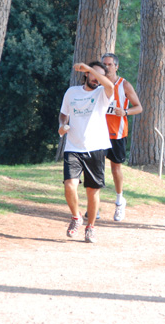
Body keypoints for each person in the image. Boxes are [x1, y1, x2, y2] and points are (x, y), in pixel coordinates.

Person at [58, 61, 114, 243]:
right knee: (69, 185)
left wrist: (92, 70)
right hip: (73, 146)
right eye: (93, 74)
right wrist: (62, 125)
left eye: (100, 76)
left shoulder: (103, 93)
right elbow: (64, 113)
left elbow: (109, 85)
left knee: (92, 191)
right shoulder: (72, 92)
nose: (96, 79)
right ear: (86, 76)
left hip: (96, 147)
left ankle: (90, 228)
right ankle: (76, 217)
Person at [101, 53, 143, 222]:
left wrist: (125, 112)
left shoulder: (124, 85)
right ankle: (93, 205)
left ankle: (119, 201)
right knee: (96, 167)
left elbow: (139, 107)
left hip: (117, 133)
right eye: (104, 64)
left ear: (116, 66)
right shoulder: (97, 83)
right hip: (99, 132)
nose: (106, 67)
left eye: (110, 64)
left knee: (115, 168)